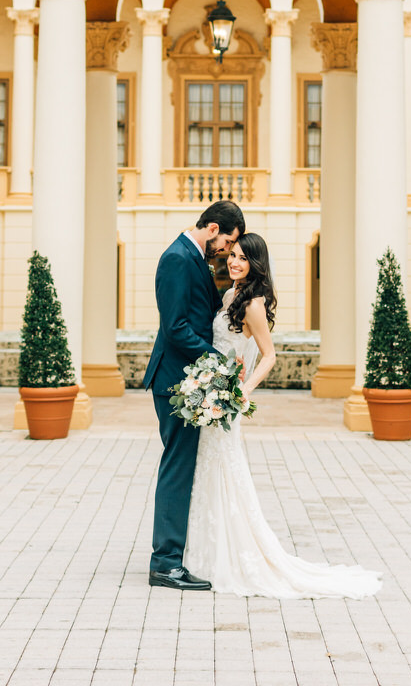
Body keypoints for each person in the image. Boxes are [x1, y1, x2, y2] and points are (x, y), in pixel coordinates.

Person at [183, 233, 382, 598]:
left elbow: (269, 355)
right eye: (233, 256)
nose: (234, 262)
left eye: (243, 258)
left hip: (227, 399)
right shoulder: (230, 295)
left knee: (224, 468)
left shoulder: (253, 303)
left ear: (256, 263)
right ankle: (205, 551)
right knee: (211, 469)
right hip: (215, 391)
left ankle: (227, 554)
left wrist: (241, 391)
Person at [143, 200, 245, 590]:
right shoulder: (177, 258)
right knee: (178, 465)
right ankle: (166, 563)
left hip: (187, 376)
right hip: (175, 381)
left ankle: (174, 556)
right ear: (214, 227)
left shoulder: (194, 256)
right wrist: (217, 360)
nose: (226, 250)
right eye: (228, 241)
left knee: (183, 463)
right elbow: (175, 327)